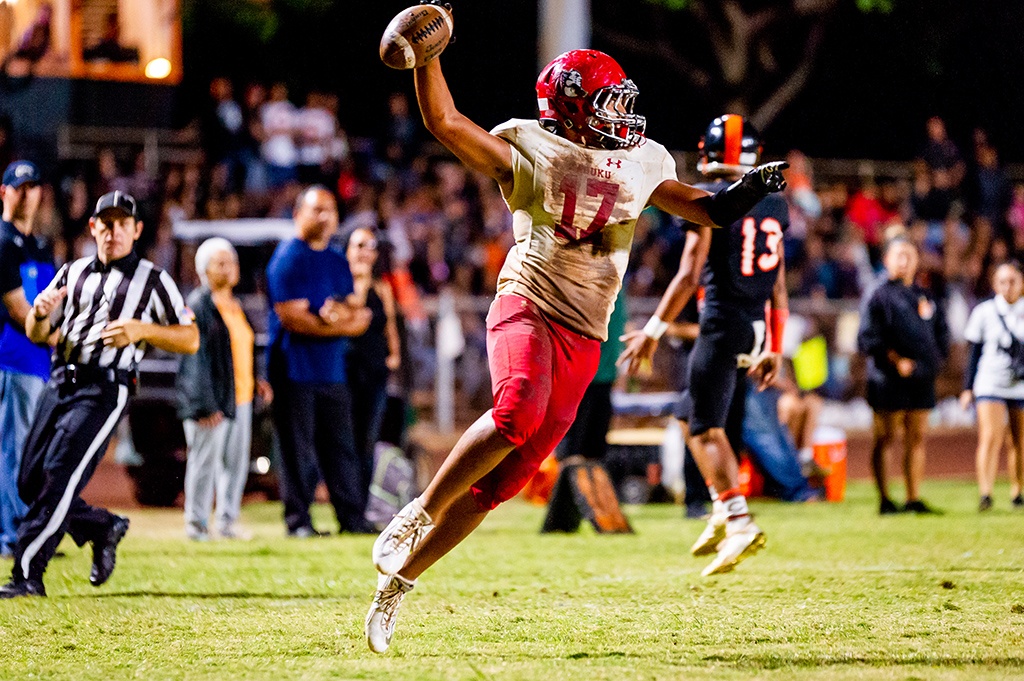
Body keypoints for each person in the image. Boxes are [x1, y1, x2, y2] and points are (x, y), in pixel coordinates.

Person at [363, 41, 787, 653]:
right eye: (605, 102)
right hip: (529, 304)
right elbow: (445, 123)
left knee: (500, 485)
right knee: (516, 411)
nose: (620, 115)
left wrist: (748, 191)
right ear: (568, 108)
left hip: (586, 335)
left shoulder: (641, 161)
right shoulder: (533, 148)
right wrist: (429, 59)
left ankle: (396, 585)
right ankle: (415, 513)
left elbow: (708, 211)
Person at [0, 191, 198, 598]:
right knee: (29, 482)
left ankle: (26, 575)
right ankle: (102, 526)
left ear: (136, 230)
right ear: (93, 228)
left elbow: (190, 338)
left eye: (122, 224)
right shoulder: (73, 273)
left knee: (57, 477)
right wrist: (39, 314)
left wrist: (141, 330)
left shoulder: (154, 280)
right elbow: (39, 334)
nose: (113, 232)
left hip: (106, 385)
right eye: (105, 224)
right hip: (61, 378)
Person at [619, 114, 789, 577]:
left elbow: (689, 272)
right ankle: (721, 505)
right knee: (685, 411)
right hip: (755, 325)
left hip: (722, 323)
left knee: (706, 429)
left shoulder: (714, 199)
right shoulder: (774, 203)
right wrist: (773, 342)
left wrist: (653, 330)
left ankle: (738, 519)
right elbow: (778, 284)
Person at [267, 186, 371, 538]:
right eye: (317, 210)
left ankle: (351, 519)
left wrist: (333, 317)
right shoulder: (288, 258)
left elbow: (358, 313)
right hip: (293, 369)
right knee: (297, 451)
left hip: (331, 370)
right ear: (298, 214)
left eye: (331, 210)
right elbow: (291, 318)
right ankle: (299, 522)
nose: (326, 216)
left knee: (341, 448)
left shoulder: (336, 259)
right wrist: (338, 321)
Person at [177, 238, 271, 540]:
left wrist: (256, 379)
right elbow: (194, 358)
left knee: (235, 463)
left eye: (231, 261)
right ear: (203, 269)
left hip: (239, 398)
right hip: (212, 401)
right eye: (220, 262)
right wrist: (203, 404)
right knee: (204, 462)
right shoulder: (198, 304)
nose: (229, 267)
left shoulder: (235, 305)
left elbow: (239, 348)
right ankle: (196, 525)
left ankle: (228, 522)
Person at [857, 236, 949, 515]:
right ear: (886, 260)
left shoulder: (926, 295)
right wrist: (895, 361)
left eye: (910, 255)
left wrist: (932, 362)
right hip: (887, 378)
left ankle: (913, 497)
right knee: (885, 436)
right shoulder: (878, 295)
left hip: (921, 378)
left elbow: (941, 334)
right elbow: (866, 339)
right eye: (899, 255)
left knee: (917, 436)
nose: (905, 261)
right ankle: (885, 499)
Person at [0, 160, 53, 558]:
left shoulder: (37, 243)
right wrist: (62, 339)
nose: (27, 193)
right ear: (5, 192)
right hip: (12, 358)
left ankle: (26, 527)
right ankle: (13, 534)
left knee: (32, 449)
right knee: (14, 450)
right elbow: (20, 310)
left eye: (32, 186)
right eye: (19, 187)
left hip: (36, 360)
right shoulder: (2, 241)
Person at [344, 227, 401, 514]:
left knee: (368, 440)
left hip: (375, 373)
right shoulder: (343, 285)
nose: (366, 251)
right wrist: (360, 281)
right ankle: (348, 503)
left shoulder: (382, 288)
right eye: (360, 245)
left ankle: (362, 505)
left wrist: (394, 355)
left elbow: (388, 324)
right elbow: (354, 313)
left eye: (371, 246)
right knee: (347, 439)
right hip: (346, 374)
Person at [960, 261, 1024, 511]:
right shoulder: (984, 312)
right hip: (990, 382)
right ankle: (985, 492)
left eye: (1013, 281)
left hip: (1020, 385)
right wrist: (968, 388)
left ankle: (1017, 490)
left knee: (1019, 441)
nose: (1007, 287)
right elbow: (973, 353)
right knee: (990, 436)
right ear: (995, 284)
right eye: (1002, 282)